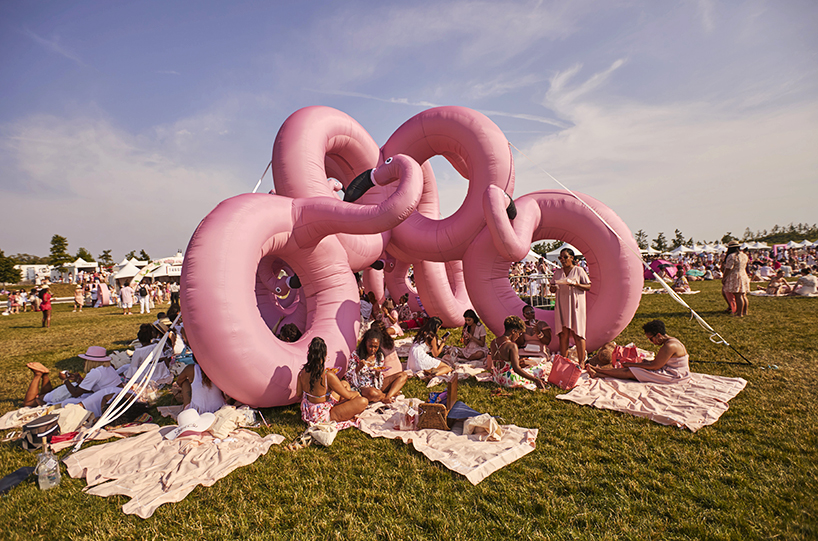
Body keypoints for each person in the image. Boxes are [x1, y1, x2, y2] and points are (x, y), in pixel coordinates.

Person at [295, 337, 368, 428]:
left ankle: (345, 410)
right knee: (363, 401)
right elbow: (348, 396)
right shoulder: (327, 375)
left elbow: (298, 394)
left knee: (344, 384)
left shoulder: (302, 373)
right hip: (322, 416)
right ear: (325, 355)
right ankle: (345, 413)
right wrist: (357, 394)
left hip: (309, 412)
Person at [587, 320, 689, 383]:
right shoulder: (671, 341)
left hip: (674, 375)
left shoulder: (669, 346)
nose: (651, 342)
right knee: (634, 370)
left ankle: (599, 371)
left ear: (658, 335)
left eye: (651, 339)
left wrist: (633, 364)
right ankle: (599, 373)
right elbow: (657, 363)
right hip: (672, 371)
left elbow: (655, 366)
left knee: (633, 371)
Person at [549, 248, 591, 366]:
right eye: (560, 257)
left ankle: (582, 361)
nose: (562, 260)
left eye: (565, 257)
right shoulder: (557, 272)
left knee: (578, 334)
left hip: (576, 305)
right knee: (563, 333)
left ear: (572, 258)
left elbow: (588, 286)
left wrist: (576, 284)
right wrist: (553, 288)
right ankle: (564, 360)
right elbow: (552, 287)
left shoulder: (579, 270)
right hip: (562, 304)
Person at [346, 328, 407, 403]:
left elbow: (379, 377)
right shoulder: (356, 355)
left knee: (403, 375)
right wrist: (358, 368)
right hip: (363, 387)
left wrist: (378, 373)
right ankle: (385, 395)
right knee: (373, 393)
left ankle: (387, 397)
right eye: (370, 346)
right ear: (365, 343)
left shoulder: (379, 356)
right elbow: (348, 377)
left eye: (376, 347)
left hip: (377, 384)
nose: (373, 350)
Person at [488, 316, 547, 391]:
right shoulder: (512, 345)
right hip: (509, 381)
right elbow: (516, 369)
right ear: (513, 331)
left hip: (496, 379)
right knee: (541, 368)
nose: (519, 336)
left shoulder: (493, 342)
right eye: (519, 333)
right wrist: (535, 380)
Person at [722, 241, 750, 316]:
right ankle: (745, 312)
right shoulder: (744, 255)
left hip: (735, 275)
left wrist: (724, 277)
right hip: (743, 274)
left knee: (738, 295)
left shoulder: (732, 256)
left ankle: (739, 313)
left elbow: (728, 268)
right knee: (743, 295)